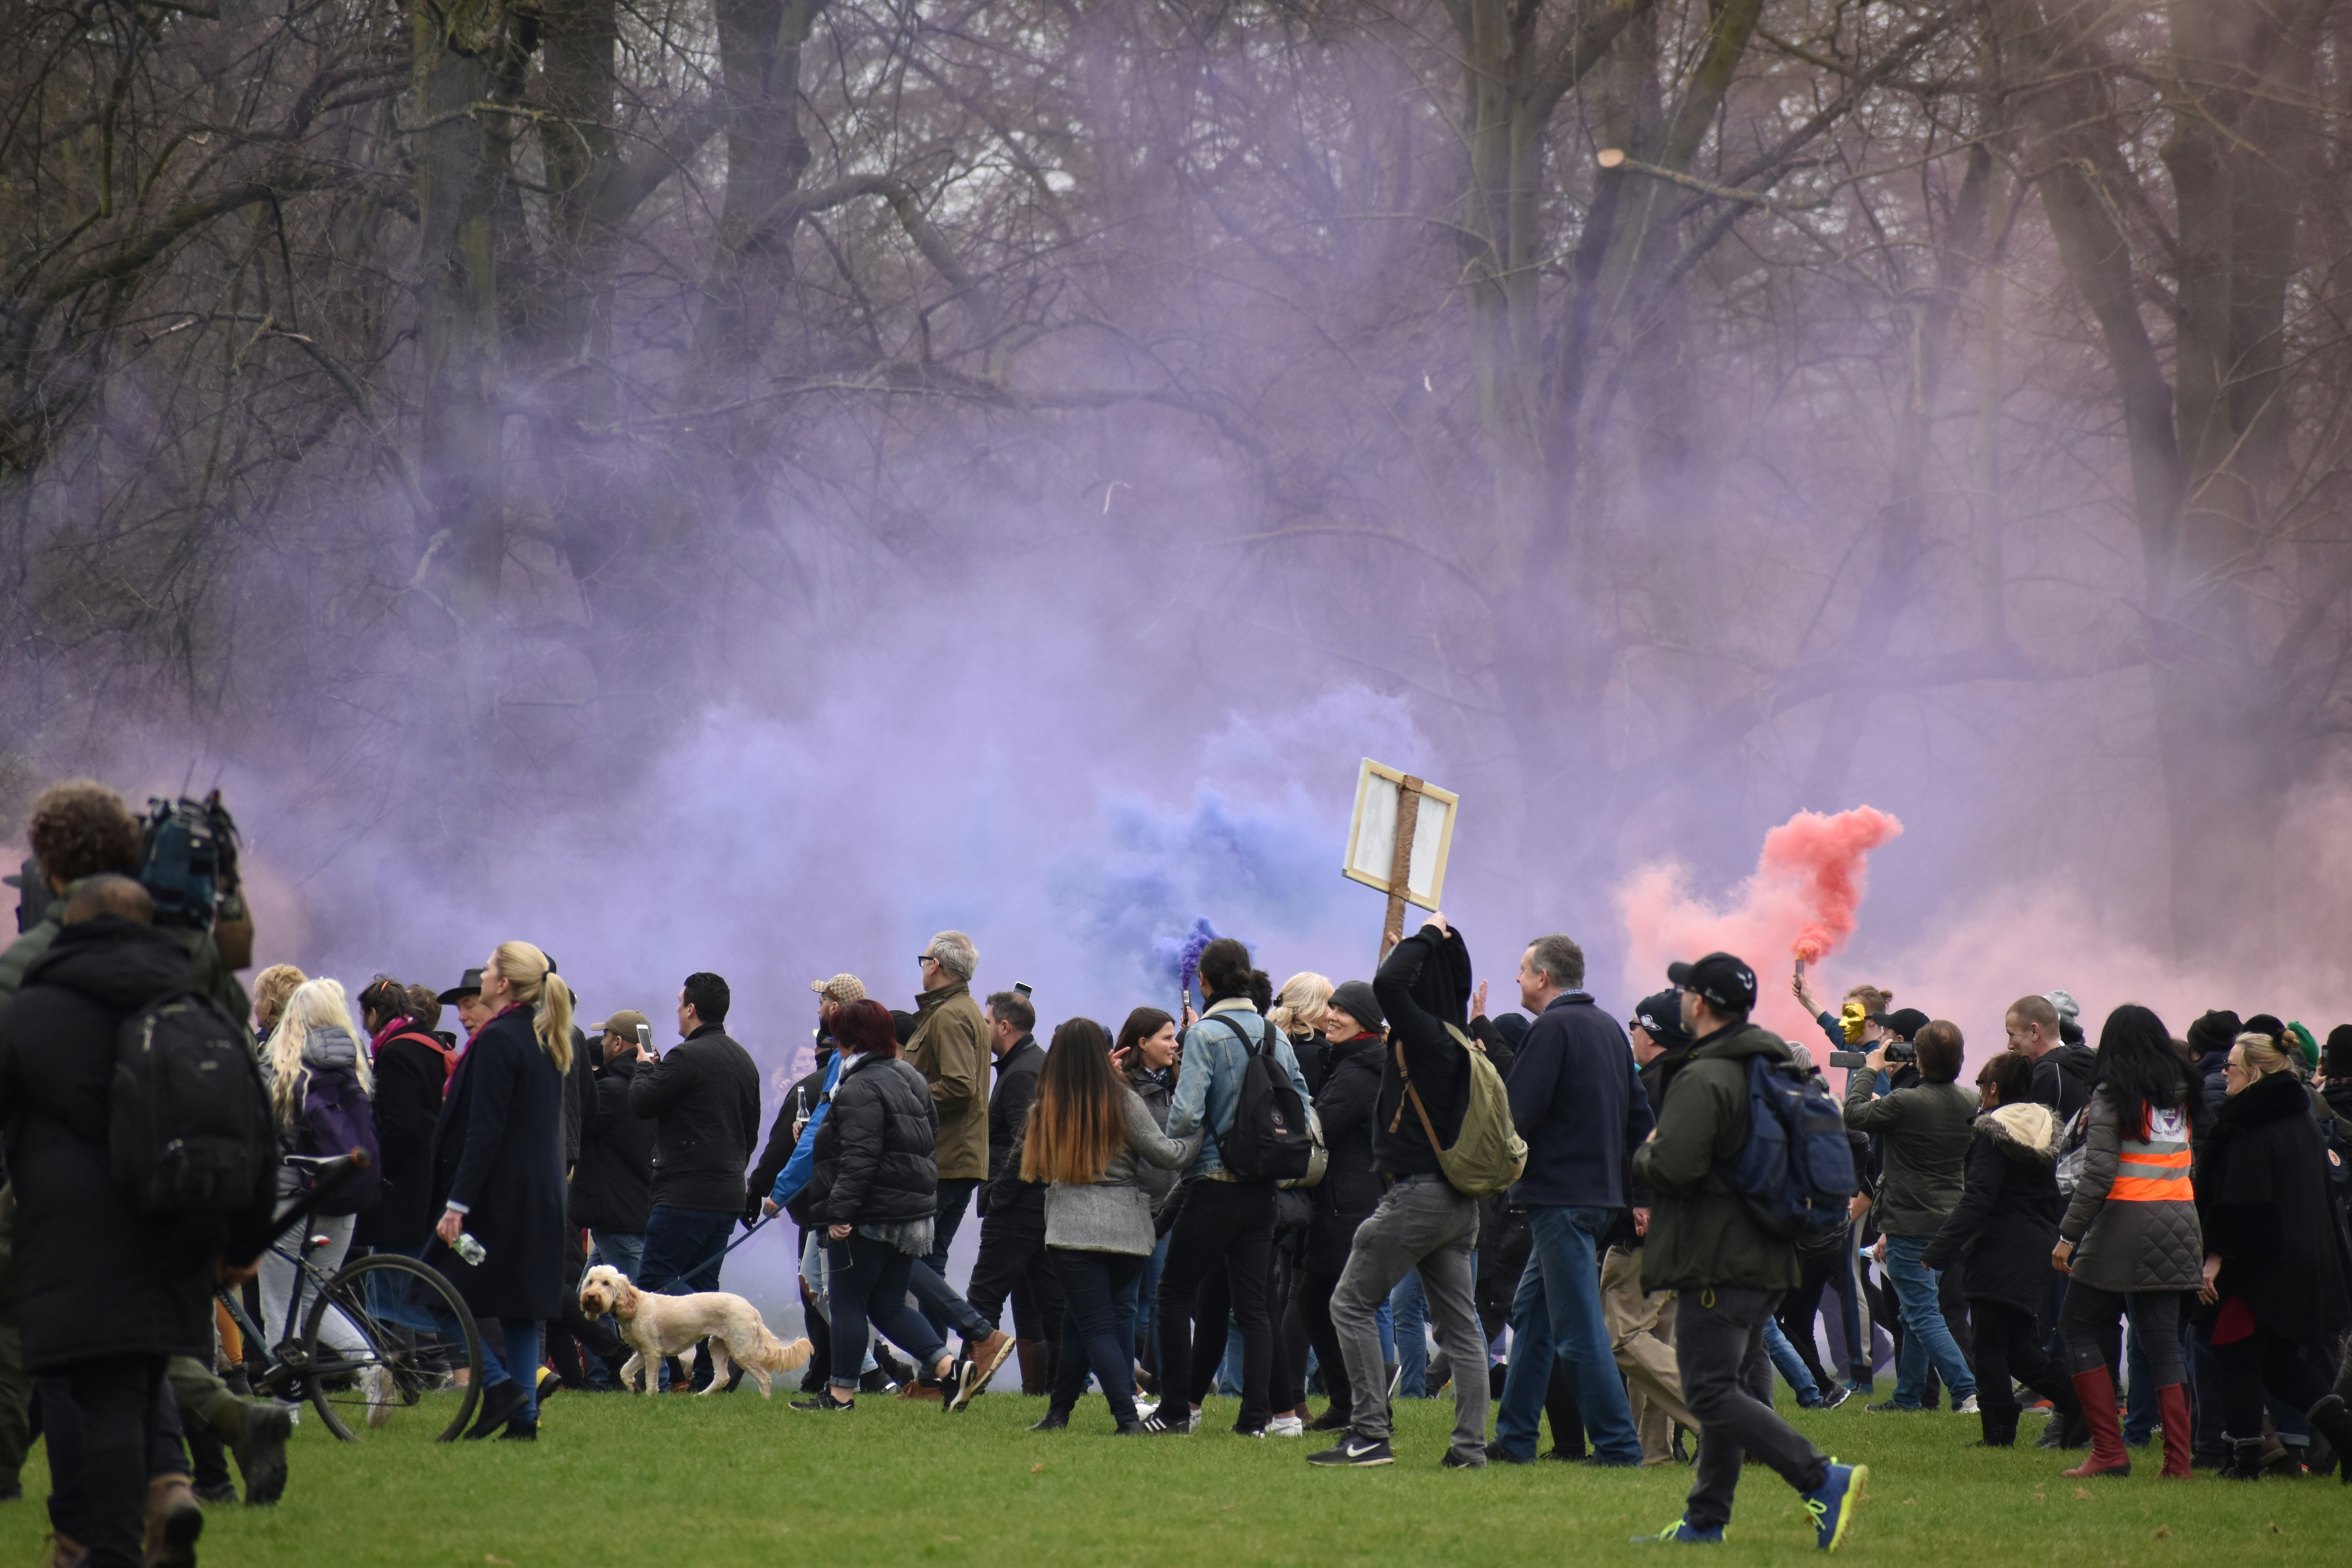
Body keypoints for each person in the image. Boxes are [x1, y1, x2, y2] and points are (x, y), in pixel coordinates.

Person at [0, 875, 277, 1567]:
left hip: (62, 1240)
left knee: (73, 1391)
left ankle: (92, 1545)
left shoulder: (28, 1014)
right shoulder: (200, 1008)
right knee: (133, 1392)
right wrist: (243, 1246)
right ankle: (153, 1512)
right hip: (173, 1239)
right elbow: (255, 1131)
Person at [1628, 951, 1866, 1550]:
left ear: (1699, 1005)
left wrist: (1645, 1152)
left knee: (1708, 1390)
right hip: (1765, 1252)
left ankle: (1820, 1477)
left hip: (1719, 1256)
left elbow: (1676, 1165)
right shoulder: (1769, 1066)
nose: (1681, 998)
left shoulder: (1706, 1076)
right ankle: (1707, 1519)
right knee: (1726, 1387)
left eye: (1685, 992)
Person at [1308, 914, 1485, 1468]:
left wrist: (1427, 934)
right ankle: (1469, 1449)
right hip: (1459, 1203)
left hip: (1418, 1195)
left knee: (1350, 1302)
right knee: (1462, 1328)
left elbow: (1388, 989)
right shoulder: (1457, 1036)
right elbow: (1402, 983)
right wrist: (1413, 948)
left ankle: (1368, 1435)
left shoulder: (1426, 1035)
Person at [1487, 933, 1652, 1467]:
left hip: (1560, 1199)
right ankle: (1514, 1440)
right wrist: (1641, 1196)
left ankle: (1619, 1446)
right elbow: (1642, 1124)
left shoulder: (1552, 1029)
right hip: (1600, 1199)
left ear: (1543, 978)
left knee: (1579, 1332)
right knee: (1532, 1319)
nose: (1516, 978)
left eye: (1521, 969)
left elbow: (1517, 1115)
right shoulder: (1610, 1030)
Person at [1150, 937, 1311, 1438]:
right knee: (1257, 1306)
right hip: (1262, 1189)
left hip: (1213, 1184)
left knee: (1175, 1294)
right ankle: (1254, 1420)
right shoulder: (1273, 1033)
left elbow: (1185, 1118)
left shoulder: (1205, 1035)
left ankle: (1176, 1410)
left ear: (1204, 981)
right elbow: (1301, 1101)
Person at [2050, 1003, 2206, 1480]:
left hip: (2125, 1223)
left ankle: (2109, 1451)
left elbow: (2098, 1172)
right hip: (2181, 1221)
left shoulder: (2112, 1094)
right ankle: (2178, 1462)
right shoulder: (2181, 1094)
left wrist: (2067, 1235)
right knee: (2162, 1344)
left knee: (2076, 1325)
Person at [426, 941, 574, 1440]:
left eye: (489, 968)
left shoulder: (498, 1039)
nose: (484, 975)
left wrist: (457, 1203)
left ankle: (500, 1388)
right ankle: (524, 1420)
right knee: (520, 1309)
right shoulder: (545, 1036)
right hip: (539, 1193)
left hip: (498, 1196)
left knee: (432, 1292)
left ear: (504, 983)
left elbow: (484, 1130)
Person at [1026, 1018, 1203, 1434]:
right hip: (1129, 1230)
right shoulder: (1124, 1099)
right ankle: (1058, 1413)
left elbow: (1038, 1167)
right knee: (1079, 1321)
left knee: (1094, 1324)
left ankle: (1127, 1417)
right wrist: (1201, 1135)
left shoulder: (1046, 1104)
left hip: (1072, 1229)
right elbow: (1168, 1154)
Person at [2194, 1029, 2352, 1479]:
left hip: (2259, 1266)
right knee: (2279, 1361)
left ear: (2256, 1071)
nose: (2225, 1074)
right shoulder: (2300, 1116)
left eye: (2233, 1067)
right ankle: (2345, 1436)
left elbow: (2244, 1204)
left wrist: (2215, 1259)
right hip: (2300, 1260)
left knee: (2234, 1351)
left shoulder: (2251, 1122)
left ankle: (2245, 1460)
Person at [790, 999, 960, 1411]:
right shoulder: (911, 1077)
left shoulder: (860, 1085)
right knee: (887, 1304)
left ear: (847, 1040)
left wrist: (841, 1213)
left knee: (848, 1300)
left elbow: (859, 1157)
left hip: (869, 1213)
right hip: (911, 1213)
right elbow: (928, 1136)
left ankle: (840, 1393)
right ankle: (949, 1367)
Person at [1922, 1051, 2082, 1447]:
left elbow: (1978, 1198)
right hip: (2035, 1246)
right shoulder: (2042, 1130)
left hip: (1999, 1250)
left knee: (1991, 1346)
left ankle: (1998, 1431)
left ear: (1993, 1089)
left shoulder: (1993, 1134)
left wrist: (1940, 1248)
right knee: (2018, 1346)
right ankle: (2077, 1404)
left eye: (1981, 1084)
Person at [1842, 1017, 1978, 1414]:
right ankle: (1910, 1396)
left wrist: (1870, 1069)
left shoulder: (1908, 1102)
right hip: (1947, 1221)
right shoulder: (1970, 1101)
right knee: (1916, 1307)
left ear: (1917, 1059)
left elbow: (1853, 1114)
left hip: (1909, 1219)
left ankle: (1966, 1389)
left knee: (1920, 1311)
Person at [255, 978, 380, 1394]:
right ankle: (370, 1364)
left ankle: (285, 1408)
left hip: (289, 1201)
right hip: (343, 1197)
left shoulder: (278, 1062)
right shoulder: (356, 1062)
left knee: (279, 1307)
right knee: (313, 1298)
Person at [900, 932, 1011, 1392]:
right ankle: (934, 1373)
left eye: (924, 957)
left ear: (937, 967)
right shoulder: (961, 1010)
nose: (921, 964)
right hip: (958, 1156)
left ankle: (981, 1336)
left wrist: (902, 1097)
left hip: (943, 1157)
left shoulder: (947, 1015)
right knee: (932, 1258)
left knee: (900, 1256)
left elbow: (960, 1087)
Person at [627, 972, 761, 1332]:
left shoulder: (685, 1056)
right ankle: (706, 1380)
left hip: (685, 1193)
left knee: (656, 1280)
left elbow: (642, 1102)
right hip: (729, 1192)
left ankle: (727, 1327)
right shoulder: (744, 1061)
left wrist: (642, 1068)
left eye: (679, 1002)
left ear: (691, 1008)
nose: (675, 1009)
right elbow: (751, 1133)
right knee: (704, 1287)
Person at [956, 989, 1059, 1406]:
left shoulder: (1021, 1074)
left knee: (984, 1294)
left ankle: (959, 1381)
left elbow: (1028, 1141)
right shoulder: (1031, 1064)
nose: (983, 1029)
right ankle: (1059, 1390)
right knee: (1054, 1303)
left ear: (1004, 1026)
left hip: (1019, 1204)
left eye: (986, 1022)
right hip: (1037, 1203)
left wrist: (999, 1195)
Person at [1291, 981, 1382, 1433]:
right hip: (1345, 1205)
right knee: (1322, 1302)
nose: (1331, 1015)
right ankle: (1352, 1403)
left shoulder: (1359, 1074)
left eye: (1342, 1010)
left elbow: (1320, 1128)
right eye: (1331, 1007)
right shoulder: (1354, 1063)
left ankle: (1361, 1406)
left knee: (1330, 1304)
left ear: (1364, 1021)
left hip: (1345, 1208)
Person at [353, 978, 451, 1265]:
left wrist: (376, 1170)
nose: (362, 1022)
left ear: (374, 1014)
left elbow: (401, 1126)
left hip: (405, 1190)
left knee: (392, 1286)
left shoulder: (396, 1051)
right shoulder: (431, 1043)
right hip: (433, 1180)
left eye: (363, 1014)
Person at [572, 1010, 656, 1281]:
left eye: (606, 1037)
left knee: (637, 1309)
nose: (603, 1043)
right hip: (634, 1211)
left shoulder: (611, 1092)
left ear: (618, 1043)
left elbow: (576, 1124)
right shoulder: (652, 1085)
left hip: (618, 1218)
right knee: (594, 1308)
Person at [2005, 995, 2096, 1121]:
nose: (2010, 1046)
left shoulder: (2046, 1074)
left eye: (2012, 1035)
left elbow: (2030, 1136)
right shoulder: (2090, 1063)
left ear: (2034, 1032)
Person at [249, 965, 307, 1047]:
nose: (255, 1005)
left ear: (268, 1007)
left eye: (258, 998)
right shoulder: (306, 1040)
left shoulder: (269, 1051)